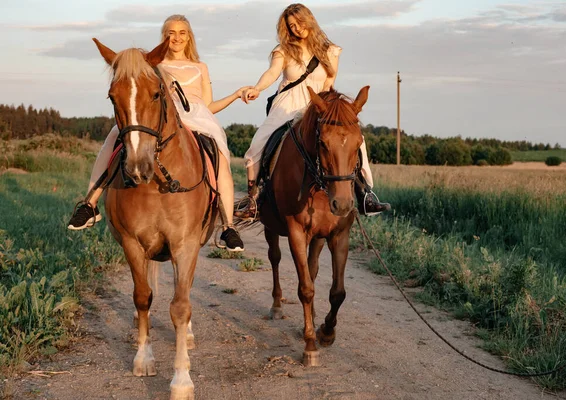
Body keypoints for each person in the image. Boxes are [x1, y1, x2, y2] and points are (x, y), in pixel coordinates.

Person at [68, 14, 247, 252]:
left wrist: (235, 95)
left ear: (189, 37)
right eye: (171, 33)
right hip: (158, 114)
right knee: (114, 137)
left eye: (182, 32)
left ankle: (228, 225)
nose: (176, 37)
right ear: (164, 37)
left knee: (219, 153)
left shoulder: (200, 67)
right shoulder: (153, 64)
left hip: (195, 115)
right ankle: (89, 203)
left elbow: (208, 104)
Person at [234, 3, 390, 220]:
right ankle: (254, 200)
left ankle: (365, 194)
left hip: (319, 106)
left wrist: (330, 109)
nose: (296, 28)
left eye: (299, 23)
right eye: (291, 26)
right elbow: (272, 73)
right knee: (256, 147)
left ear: (308, 20)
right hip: (288, 105)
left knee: (357, 139)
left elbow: (329, 83)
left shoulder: (330, 51)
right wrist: (257, 88)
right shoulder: (284, 50)